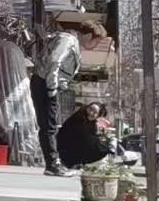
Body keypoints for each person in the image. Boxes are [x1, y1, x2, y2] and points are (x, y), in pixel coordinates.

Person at [30, 29, 81, 175]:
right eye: (96, 41)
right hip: (45, 83)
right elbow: (54, 60)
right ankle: (53, 164)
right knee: (49, 124)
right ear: (90, 35)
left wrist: (60, 84)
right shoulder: (69, 40)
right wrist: (52, 86)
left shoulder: (67, 40)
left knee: (49, 124)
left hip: (44, 82)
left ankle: (52, 163)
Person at [55, 103, 105, 169]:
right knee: (95, 142)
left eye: (95, 112)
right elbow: (82, 136)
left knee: (100, 144)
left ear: (97, 115)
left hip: (76, 149)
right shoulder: (79, 117)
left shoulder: (92, 124)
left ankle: (81, 163)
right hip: (66, 148)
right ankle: (75, 162)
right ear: (87, 108)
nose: (91, 113)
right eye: (90, 109)